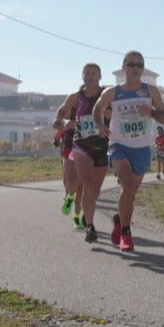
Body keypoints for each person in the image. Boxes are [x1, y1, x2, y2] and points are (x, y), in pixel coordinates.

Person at [93, 51, 164, 253]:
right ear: (124, 67)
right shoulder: (113, 92)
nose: (136, 68)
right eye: (132, 64)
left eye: (139, 65)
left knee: (130, 194)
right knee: (126, 185)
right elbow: (97, 108)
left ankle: (119, 219)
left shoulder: (150, 91)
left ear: (142, 69)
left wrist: (151, 112)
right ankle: (126, 233)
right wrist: (101, 124)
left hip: (142, 149)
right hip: (119, 145)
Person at [52, 62, 109, 244]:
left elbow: (120, 117)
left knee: (95, 191)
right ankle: (90, 226)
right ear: (82, 76)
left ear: (100, 76)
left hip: (102, 146)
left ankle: (87, 214)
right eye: (86, 73)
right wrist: (64, 124)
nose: (90, 76)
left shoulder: (108, 94)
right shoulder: (75, 97)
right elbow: (57, 121)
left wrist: (109, 117)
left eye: (94, 73)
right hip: (80, 146)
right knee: (85, 184)